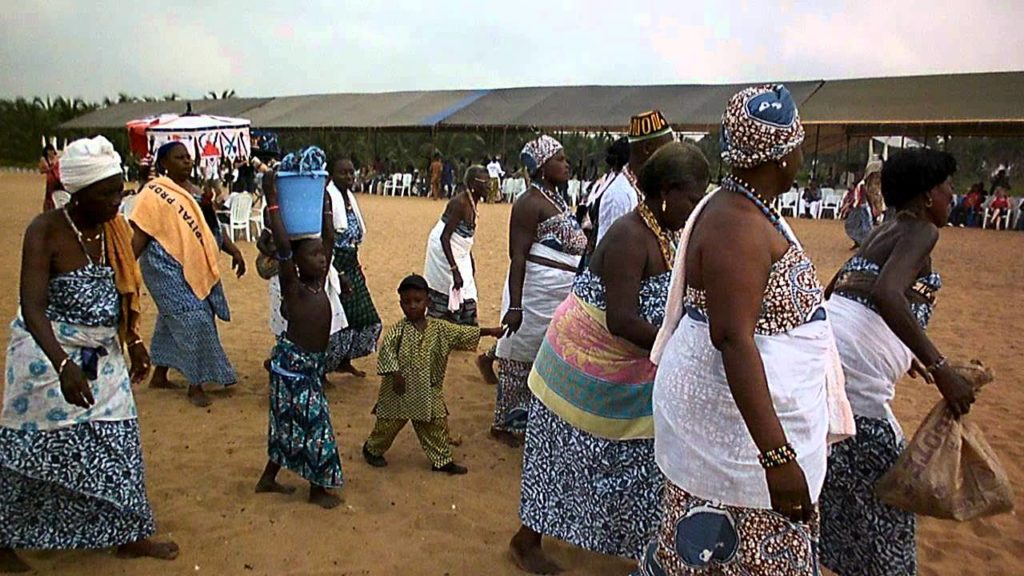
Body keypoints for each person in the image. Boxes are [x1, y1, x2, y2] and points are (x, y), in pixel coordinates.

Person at [638, 85, 843, 576]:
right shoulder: (737, 226)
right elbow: (732, 338)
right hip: (740, 440)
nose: (800, 152)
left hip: (738, 426)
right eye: (797, 142)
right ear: (780, 154)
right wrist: (776, 456)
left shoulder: (748, 209)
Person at [510, 142, 710, 573]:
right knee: (561, 458)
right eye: (693, 199)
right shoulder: (629, 236)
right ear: (668, 191)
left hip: (629, 367)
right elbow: (621, 320)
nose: (696, 208)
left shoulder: (667, 231)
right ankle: (526, 541)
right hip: (580, 366)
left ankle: (646, 548)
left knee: (639, 458)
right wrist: (677, 350)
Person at [0, 136, 178, 573]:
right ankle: (5, 538)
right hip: (47, 352)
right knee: (31, 449)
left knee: (120, 441)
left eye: (120, 189)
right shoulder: (45, 232)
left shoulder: (114, 229)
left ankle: (129, 534)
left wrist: (133, 341)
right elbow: (32, 307)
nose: (118, 202)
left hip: (103, 352)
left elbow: (124, 288)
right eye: (107, 194)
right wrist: (62, 365)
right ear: (78, 196)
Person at [820, 149, 977, 576]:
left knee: (845, 496)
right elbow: (887, 293)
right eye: (948, 188)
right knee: (889, 509)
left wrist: (903, 349)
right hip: (858, 392)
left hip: (830, 377)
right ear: (928, 196)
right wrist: (941, 368)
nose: (952, 196)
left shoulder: (881, 229)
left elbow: (838, 290)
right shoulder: (922, 231)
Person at [129, 141, 246, 407]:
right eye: (179, 158)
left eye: (188, 157)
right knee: (194, 317)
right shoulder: (154, 192)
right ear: (164, 164)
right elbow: (141, 233)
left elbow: (210, 229)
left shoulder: (196, 191)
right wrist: (125, 267)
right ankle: (195, 384)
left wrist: (234, 251)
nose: (186, 162)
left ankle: (159, 374)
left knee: (173, 318)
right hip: (162, 265)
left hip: (190, 264)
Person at [255, 168, 345, 509]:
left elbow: (330, 240)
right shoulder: (293, 287)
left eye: (322, 256)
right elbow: (282, 246)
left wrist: (323, 202)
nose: (321, 259)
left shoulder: (318, 284)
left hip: (306, 368)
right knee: (315, 426)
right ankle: (317, 488)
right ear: (296, 261)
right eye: (313, 255)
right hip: (293, 368)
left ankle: (267, 479)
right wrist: (273, 200)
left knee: (287, 425)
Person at [491, 136, 587, 448]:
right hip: (535, 293)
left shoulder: (558, 199)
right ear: (543, 167)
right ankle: (504, 424)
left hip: (559, 291)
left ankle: (535, 420)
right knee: (519, 356)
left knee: (550, 355)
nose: (566, 164)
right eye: (560, 159)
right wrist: (516, 306)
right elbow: (517, 255)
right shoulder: (528, 203)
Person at [362, 274, 504, 475]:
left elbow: (462, 332)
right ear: (400, 303)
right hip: (398, 394)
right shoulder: (396, 331)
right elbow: (386, 353)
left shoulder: (440, 329)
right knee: (387, 426)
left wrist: (490, 331)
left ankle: (442, 461)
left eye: (417, 301)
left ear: (428, 301)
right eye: (406, 302)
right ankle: (371, 450)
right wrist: (395, 374)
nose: (412, 306)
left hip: (428, 392)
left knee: (435, 424)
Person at [326, 157, 382, 377]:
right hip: (333, 265)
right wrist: (337, 273)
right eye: (343, 173)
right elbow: (325, 240)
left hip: (351, 262)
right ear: (332, 174)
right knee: (336, 321)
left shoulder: (348, 198)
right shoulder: (328, 199)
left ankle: (344, 360)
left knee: (367, 319)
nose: (349, 177)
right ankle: (323, 369)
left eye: (351, 173)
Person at [593, 110, 675, 248]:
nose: (672, 157)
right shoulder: (619, 195)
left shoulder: (649, 188)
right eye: (668, 149)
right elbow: (612, 256)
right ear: (648, 148)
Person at [423, 165, 489, 325]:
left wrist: (469, 260)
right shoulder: (460, 203)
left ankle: (462, 329)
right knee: (450, 285)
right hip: (443, 248)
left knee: (468, 287)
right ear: (473, 185)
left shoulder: (472, 202)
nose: (488, 186)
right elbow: (445, 237)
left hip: (459, 250)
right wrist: (454, 269)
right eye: (484, 182)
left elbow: (465, 238)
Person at [842, 159, 884, 247]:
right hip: (860, 207)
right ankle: (860, 241)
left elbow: (871, 197)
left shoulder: (868, 185)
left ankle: (866, 243)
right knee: (852, 225)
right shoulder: (864, 184)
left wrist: (873, 207)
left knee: (865, 226)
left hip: (863, 207)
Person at [38, 143, 67, 211]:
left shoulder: (56, 157)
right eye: (50, 151)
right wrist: (50, 169)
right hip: (51, 180)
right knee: (49, 197)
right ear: (47, 151)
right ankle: (48, 210)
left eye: (52, 151)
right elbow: (41, 171)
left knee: (61, 194)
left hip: (58, 179)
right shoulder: (44, 159)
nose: (52, 152)